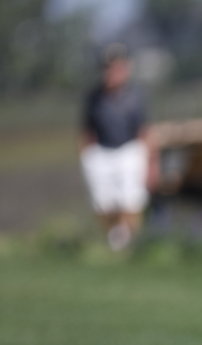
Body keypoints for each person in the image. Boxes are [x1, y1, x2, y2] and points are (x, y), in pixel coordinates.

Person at [78, 43, 155, 251]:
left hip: (128, 149)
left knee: (131, 200)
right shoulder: (94, 98)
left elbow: (144, 132)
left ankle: (129, 242)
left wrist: (151, 162)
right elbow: (87, 132)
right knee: (104, 203)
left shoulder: (136, 96)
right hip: (102, 151)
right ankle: (115, 240)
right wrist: (86, 158)